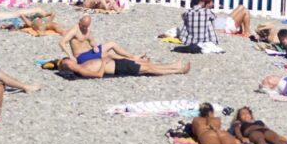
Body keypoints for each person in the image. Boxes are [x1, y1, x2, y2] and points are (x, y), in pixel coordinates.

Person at [59, 15, 143, 65]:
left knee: (112, 44)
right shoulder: (74, 30)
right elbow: (62, 43)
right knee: (108, 54)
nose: (84, 28)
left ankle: (131, 56)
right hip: (81, 57)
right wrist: (70, 56)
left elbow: (91, 41)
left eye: (86, 26)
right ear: (79, 22)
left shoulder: (87, 30)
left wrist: (95, 46)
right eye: (83, 26)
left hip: (90, 52)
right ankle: (133, 61)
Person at [57, 56, 190, 78]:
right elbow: (98, 75)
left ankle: (173, 65)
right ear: (68, 67)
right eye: (67, 62)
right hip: (118, 68)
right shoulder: (80, 69)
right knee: (149, 69)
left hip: (117, 63)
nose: (69, 60)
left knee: (147, 64)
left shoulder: (80, 64)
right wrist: (103, 62)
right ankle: (178, 71)